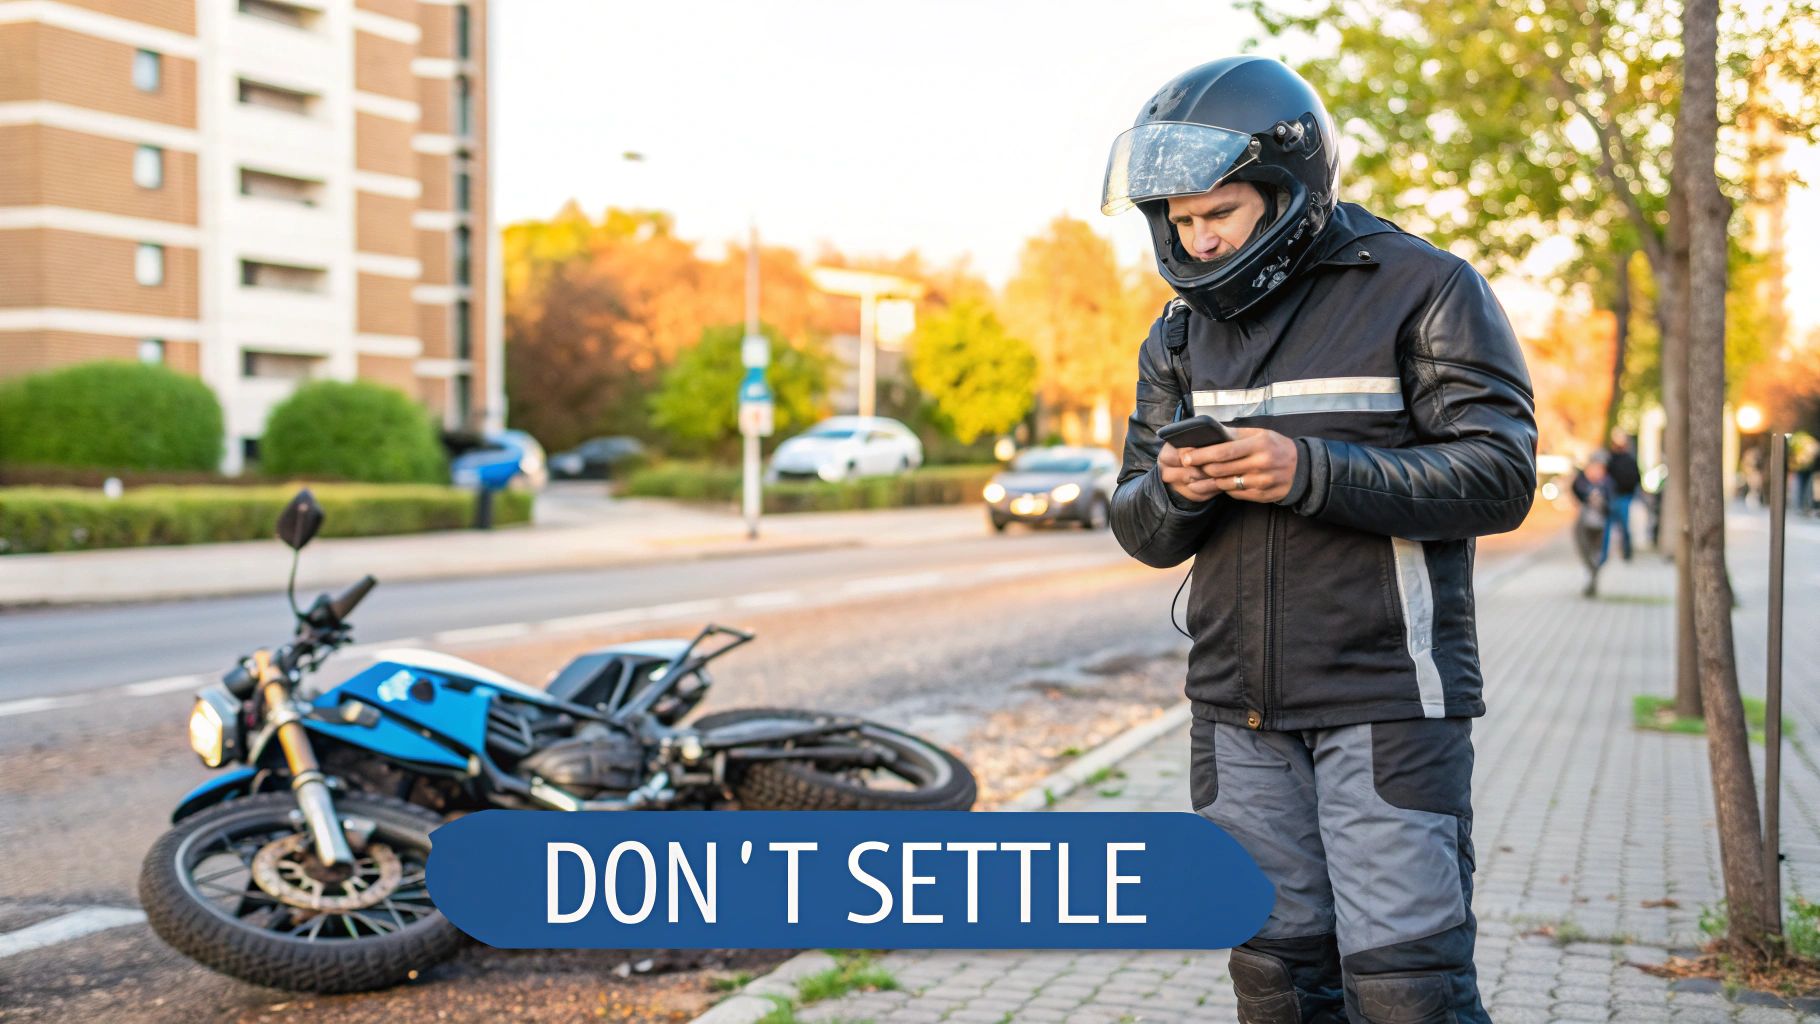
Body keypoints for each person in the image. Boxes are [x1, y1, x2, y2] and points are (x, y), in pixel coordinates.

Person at [1104, 58, 1536, 1024]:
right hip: (1233, 710)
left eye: (1220, 213)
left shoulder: (1425, 289)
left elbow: (1501, 477)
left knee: (1405, 988)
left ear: (1287, 191)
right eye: (1179, 220)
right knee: (1277, 980)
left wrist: (1311, 472)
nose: (1198, 238)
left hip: (1387, 700)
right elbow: (1137, 528)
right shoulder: (1175, 339)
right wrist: (1174, 491)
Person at [1571, 456, 1613, 597]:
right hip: (1584, 522)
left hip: (1600, 524)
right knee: (1585, 550)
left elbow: (1611, 502)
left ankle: (1593, 575)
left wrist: (1600, 501)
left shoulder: (1607, 483)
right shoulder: (1583, 481)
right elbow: (1575, 489)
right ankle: (1592, 575)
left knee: (1598, 552)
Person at [1604, 429, 1640, 560]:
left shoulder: (1629, 459)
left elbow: (1636, 476)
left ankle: (1626, 551)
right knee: (1607, 527)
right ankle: (1603, 554)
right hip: (1612, 497)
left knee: (1624, 526)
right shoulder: (1610, 459)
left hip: (1624, 496)